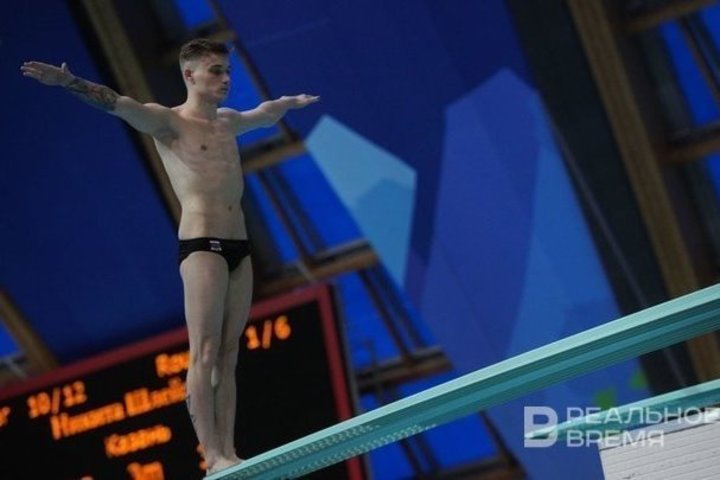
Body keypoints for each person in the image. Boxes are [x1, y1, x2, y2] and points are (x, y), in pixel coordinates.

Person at [21, 38, 319, 475]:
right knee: (205, 351)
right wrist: (69, 82)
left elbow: (264, 114)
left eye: (227, 71)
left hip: (240, 246)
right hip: (202, 245)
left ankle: (229, 453)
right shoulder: (168, 122)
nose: (225, 79)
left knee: (229, 354)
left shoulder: (228, 123)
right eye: (216, 71)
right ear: (189, 75)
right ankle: (211, 455)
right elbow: (115, 103)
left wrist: (287, 104)